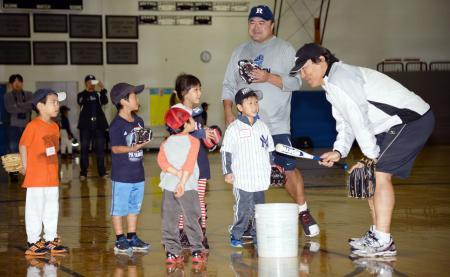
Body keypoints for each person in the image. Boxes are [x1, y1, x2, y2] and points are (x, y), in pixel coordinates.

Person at [290, 43, 434, 257]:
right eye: (299, 71)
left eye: (305, 68)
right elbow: (345, 123)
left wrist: (370, 156)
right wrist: (339, 151)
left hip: (411, 119)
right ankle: (377, 235)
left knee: (378, 173)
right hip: (390, 125)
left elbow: (360, 120)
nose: (303, 75)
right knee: (369, 175)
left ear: (321, 60)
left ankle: (384, 241)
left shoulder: (342, 79)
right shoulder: (331, 85)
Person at [222, 5, 320, 237]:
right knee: (245, 173)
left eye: (262, 23)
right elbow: (228, 85)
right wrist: (228, 113)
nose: (256, 27)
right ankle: (248, 221)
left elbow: (297, 83)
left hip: (275, 125)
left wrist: (269, 77)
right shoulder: (239, 51)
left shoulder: (285, 49)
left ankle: (303, 210)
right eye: (252, 22)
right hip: (246, 127)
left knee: (287, 169)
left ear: (272, 24)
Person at [220, 88, 274, 247]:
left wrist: (272, 167)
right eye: (249, 102)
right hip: (242, 178)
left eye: (256, 102)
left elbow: (269, 149)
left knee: (260, 210)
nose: (254, 105)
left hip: (259, 178)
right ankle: (236, 234)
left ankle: (258, 237)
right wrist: (227, 172)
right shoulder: (234, 128)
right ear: (240, 107)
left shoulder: (263, 126)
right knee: (243, 209)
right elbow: (225, 152)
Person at [19, 88, 68, 255]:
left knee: (51, 208)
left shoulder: (55, 126)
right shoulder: (33, 126)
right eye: (53, 102)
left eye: (58, 102)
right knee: (34, 209)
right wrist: (25, 166)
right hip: (36, 177)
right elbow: (23, 145)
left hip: (51, 177)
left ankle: (50, 238)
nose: (57, 105)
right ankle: (33, 241)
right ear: (40, 106)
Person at [169, 74, 216, 249]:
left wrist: (210, 139)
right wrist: (200, 133)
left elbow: (198, 135)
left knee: (200, 200)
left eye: (200, 89)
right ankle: (182, 234)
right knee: (183, 200)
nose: (199, 93)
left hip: (200, 162)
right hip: (184, 165)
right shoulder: (175, 113)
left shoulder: (197, 113)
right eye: (195, 89)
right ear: (184, 93)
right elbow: (179, 134)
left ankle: (200, 234)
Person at [157, 107, 207, 265]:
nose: (194, 121)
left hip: (168, 187)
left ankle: (172, 253)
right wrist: (182, 182)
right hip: (188, 187)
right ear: (185, 125)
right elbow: (189, 164)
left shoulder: (165, 143)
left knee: (169, 221)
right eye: (191, 119)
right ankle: (197, 251)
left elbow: (161, 162)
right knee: (192, 219)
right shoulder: (193, 141)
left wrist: (176, 174)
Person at [109, 83, 151, 254]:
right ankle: (120, 239)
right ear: (123, 101)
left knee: (134, 207)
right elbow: (115, 148)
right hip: (122, 175)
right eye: (134, 96)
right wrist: (132, 148)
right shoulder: (116, 124)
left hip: (137, 174)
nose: (137, 100)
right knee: (119, 208)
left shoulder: (139, 120)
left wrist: (143, 142)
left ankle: (131, 236)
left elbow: (138, 143)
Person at [77, 74, 109, 180]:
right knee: (84, 149)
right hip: (85, 127)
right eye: (89, 82)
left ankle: (102, 172)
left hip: (99, 126)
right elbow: (80, 101)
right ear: (85, 83)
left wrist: (102, 88)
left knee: (100, 150)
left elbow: (105, 101)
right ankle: (83, 173)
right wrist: (88, 90)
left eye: (93, 82)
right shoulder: (81, 94)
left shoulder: (99, 94)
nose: (91, 84)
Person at [4, 74, 33, 182]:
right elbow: (10, 109)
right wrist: (24, 106)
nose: (17, 84)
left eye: (19, 81)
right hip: (13, 126)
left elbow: (31, 105)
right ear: (11, 84)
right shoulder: (8, 96)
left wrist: (18, 106)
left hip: (27, 126)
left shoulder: (29, 94)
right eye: (14, 82)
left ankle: (28, 170)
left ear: (22, 83)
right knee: (13, 149)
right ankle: (13, 172)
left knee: (28, 150)